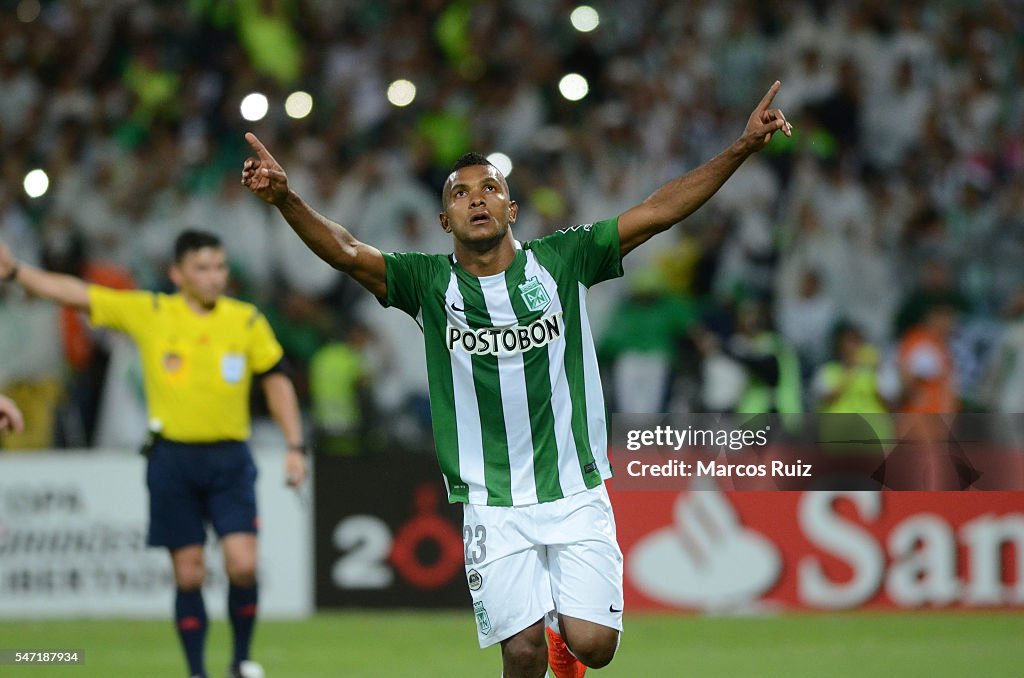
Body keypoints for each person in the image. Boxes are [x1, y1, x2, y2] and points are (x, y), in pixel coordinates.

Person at [243, 81, 791, 678]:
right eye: (460, 193)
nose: (477, 200)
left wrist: (740, 150)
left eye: (490, 189)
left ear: (512, 209)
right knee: (522, 652)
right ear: (444, 218)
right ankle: (541, 639)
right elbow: (348, 251)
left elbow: (659, 211)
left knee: (595, 646)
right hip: (491, 498)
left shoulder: (565, 259)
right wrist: (287, 199)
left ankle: (566, 636)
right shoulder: (427, 283)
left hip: (576, 484)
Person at [0, 230, 308, 678]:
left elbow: (276, 379)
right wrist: (15, 272)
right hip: (173, 460)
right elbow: (79, 294)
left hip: (230, 459)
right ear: (176, 274)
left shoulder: (245, 320)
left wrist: (294, 445)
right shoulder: (152, 312)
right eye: (201, 268)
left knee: (242, 564)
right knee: (189, 574)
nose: (213, 277)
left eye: (219, 267)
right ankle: (197, 671)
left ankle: (241, 661)